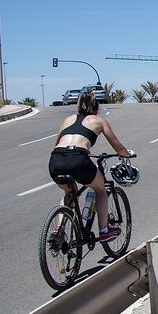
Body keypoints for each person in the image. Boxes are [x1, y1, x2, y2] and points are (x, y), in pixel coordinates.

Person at [48, 91, 134, 242]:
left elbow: (57, 144)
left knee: (70, 193)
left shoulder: (68, 120)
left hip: (56, 159)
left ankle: (58, 230)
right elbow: (116, 145)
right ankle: (104, 231)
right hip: (78, 159)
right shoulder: (99, 121)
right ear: (96, 107)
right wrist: (126, 154)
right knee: (100, 189)